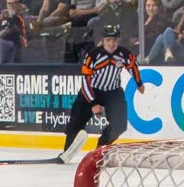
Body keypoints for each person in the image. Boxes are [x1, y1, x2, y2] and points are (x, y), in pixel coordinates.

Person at [51, 25, 144, 163]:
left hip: (113, 92)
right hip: (91, 91)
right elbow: (85, 81)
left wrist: (139, 83)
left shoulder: (124, 54)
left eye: (114, 40)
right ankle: (67, 151)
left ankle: (100, 148)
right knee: (75, 122)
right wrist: (93, 103)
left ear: (118, 40)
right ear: (103, 40)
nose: (111, 43)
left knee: (119, 126)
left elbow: (133, 67)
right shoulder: (93, 56)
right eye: (108, 40)